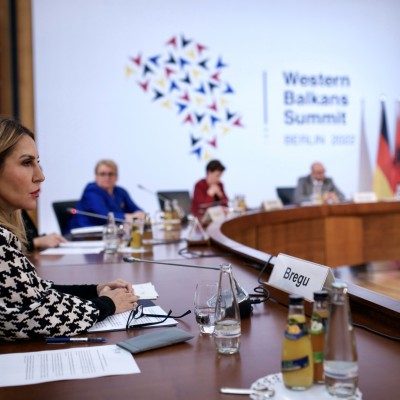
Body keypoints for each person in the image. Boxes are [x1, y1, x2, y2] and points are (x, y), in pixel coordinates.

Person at [0, 118, 139, 340]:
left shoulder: (120, 191)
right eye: (27, 163)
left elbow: (36, 292)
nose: (41, 175)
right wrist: (107, 305)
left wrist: (95, 289)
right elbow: (37, 316)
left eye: (37, 162)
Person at [68, 159, 144, 232]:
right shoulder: (91, 191)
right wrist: (127, 217)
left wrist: (140, 214)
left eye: (110, 174)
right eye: (102, 174)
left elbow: (135, 209)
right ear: (96, 177)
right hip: (84, 235)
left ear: (116, 176)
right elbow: (103, 216)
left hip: (111, 234)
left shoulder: (120, 191)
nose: (107, 177)